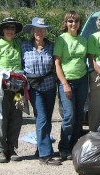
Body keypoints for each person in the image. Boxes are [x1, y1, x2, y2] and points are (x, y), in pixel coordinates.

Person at [21, 17, 61, 166]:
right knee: (42, 118)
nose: (39, 32)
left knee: (46, 119)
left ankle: (41, 148)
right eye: (36, 29)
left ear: (45, 31)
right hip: (34, 87)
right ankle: (45, 155)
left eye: (42, 29)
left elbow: (56, 65)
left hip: (49, 86)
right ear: (32, 31)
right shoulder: (24, 46)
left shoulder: (51, 46)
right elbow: (20, 65)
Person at [0, 17, 25, 163]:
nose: (10, 30)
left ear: (15, 31)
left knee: (16, 117)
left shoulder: (18, 44)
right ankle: (1, 150)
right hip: (1, 87)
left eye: (12, 28)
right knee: (1, 118)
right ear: (3, 30)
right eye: (7, 28)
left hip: (17, 89)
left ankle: (12, 148)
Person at [54, 11, 88, 160]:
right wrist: (65, 84)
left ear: (80, 24)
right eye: (70, 21)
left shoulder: (83, 40)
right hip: (67, 81)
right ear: (66, 23)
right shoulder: (61, 40)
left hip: (82, 80)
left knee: (79, 116)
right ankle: (64, 147)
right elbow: (57, 63)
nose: (73, 24)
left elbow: (89, 59)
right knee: (69, 116)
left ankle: (75, 146)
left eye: (76, 22)